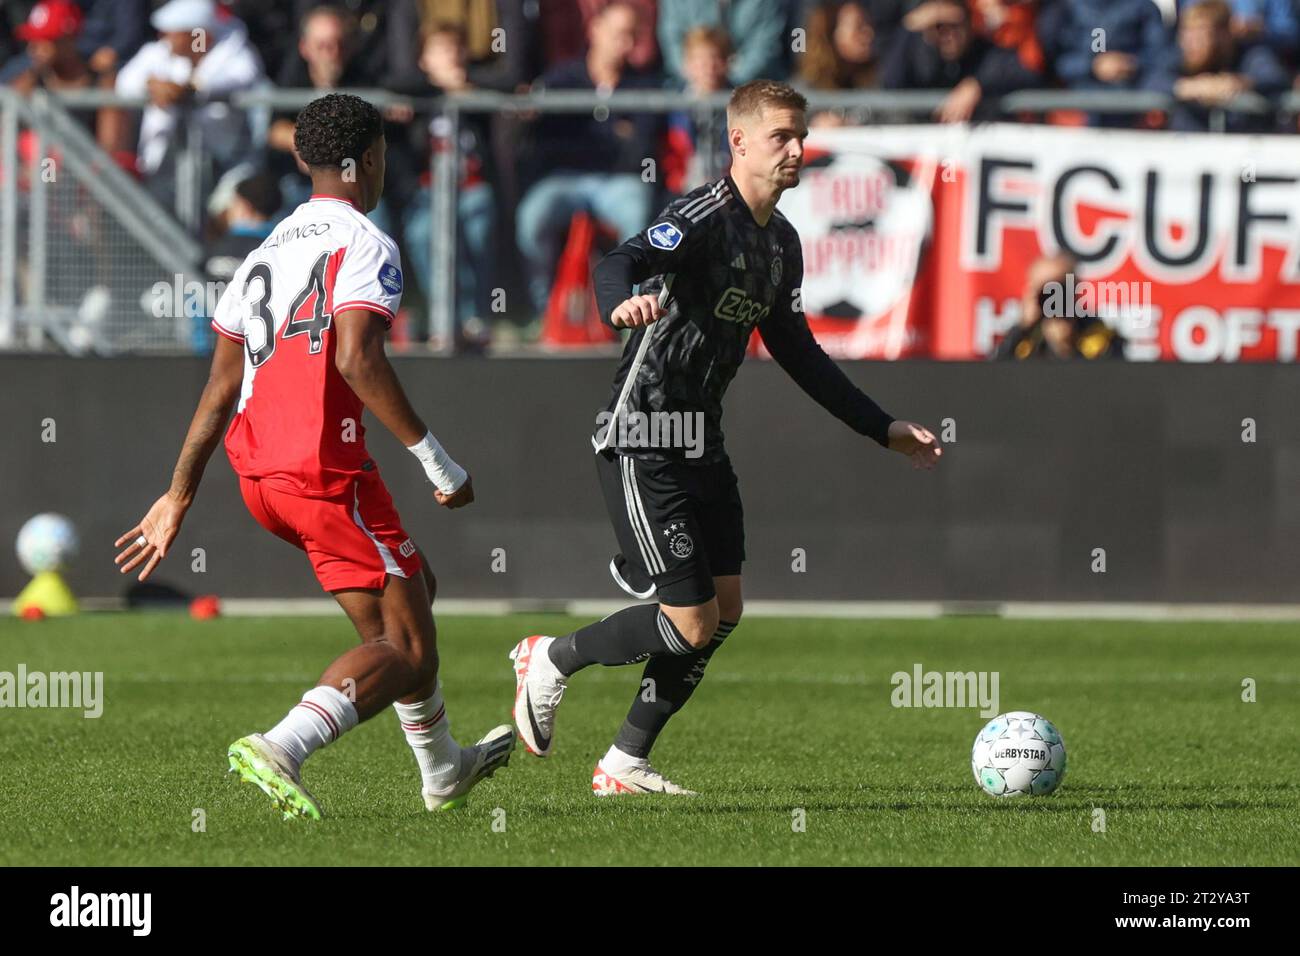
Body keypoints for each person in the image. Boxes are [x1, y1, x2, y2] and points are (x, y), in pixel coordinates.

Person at [509, 79, 943, 796]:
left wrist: (882, 428)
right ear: (739, 141)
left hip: (701, 440)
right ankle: (551, 658)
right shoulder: (703, 214)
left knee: (724, 611)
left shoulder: (782, 243)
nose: (797, 149)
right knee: (688, 621)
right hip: (643, 431)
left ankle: (624, 763)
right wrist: (620, 305)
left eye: (802, 136)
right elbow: (618, 261)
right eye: (782, 137)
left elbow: (798, 352)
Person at [113, 93, 513, 820]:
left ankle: (443, 769)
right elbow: (359, 359)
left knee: (409, 597)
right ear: (369, 160)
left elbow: (220, 389)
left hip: (261, 474)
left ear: (304, 160)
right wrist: (437, 461)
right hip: (322, 473)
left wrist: (179, 494)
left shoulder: (262, 254)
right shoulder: (364, 241)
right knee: (407, 647)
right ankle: (281, 746)